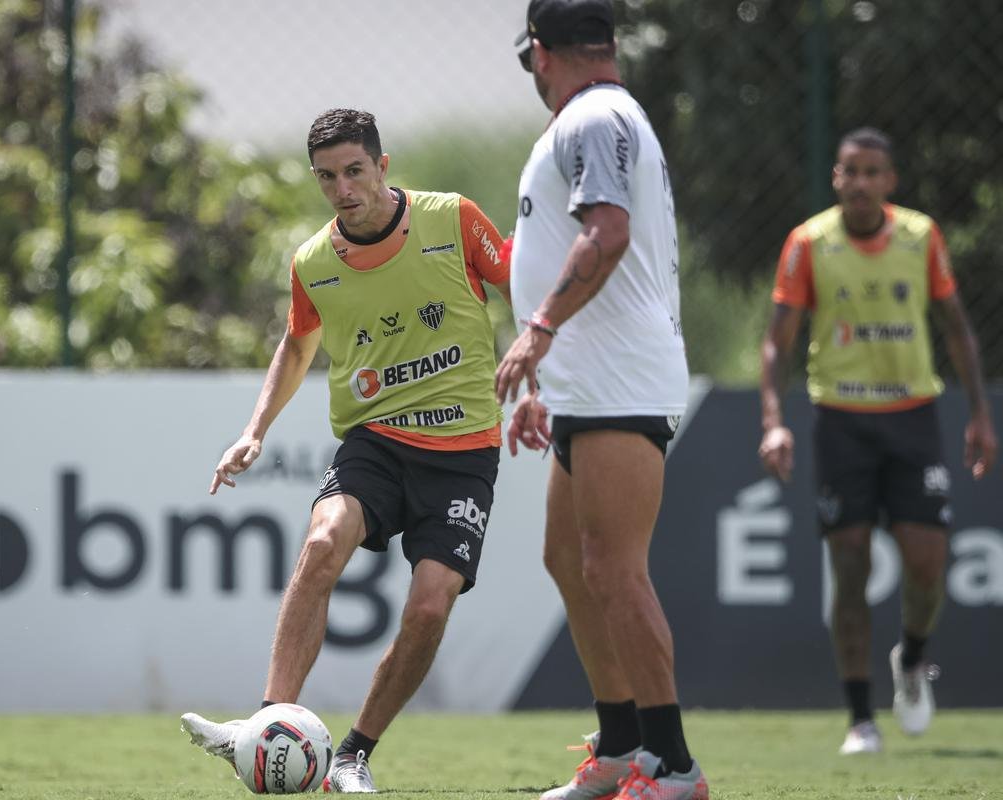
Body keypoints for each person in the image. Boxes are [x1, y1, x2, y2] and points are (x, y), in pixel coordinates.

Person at [181, 108, 512, 793]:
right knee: (322, 542)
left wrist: (542, 359)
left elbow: (520, 281)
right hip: (376, 438)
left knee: (428, 607)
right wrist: (254, 431)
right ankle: (268, 722)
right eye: (327, 177)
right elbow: (297, 342)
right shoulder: (313, 261)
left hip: (462, 450)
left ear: (382, 166)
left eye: (354, 171)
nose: (342, 189)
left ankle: (353, 754)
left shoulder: (452, 219)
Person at [497, 2, 707, 798]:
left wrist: (539, 329)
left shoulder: (593, 116)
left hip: (619, 378)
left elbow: (607, 232)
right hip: (589, 382)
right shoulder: (601, 116)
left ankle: (674, 766)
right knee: (568, 560)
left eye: (529, 65)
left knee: (615, 572)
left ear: (541, 54)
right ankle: (620, 750)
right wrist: (548, 375)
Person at [758, 127, 997, 755]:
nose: (859, 183)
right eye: (848, 172)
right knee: (851, 565)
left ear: (889, 181)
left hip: (913, 418)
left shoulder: (921, 237)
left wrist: (978, 415)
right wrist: (773, 420)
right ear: (836, 178)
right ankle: (860, 720)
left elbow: (957, 327)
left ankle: (912, 661)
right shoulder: (808, 244)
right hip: (841, 421)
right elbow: (776, 342)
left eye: (872, 172)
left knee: (926, 562)